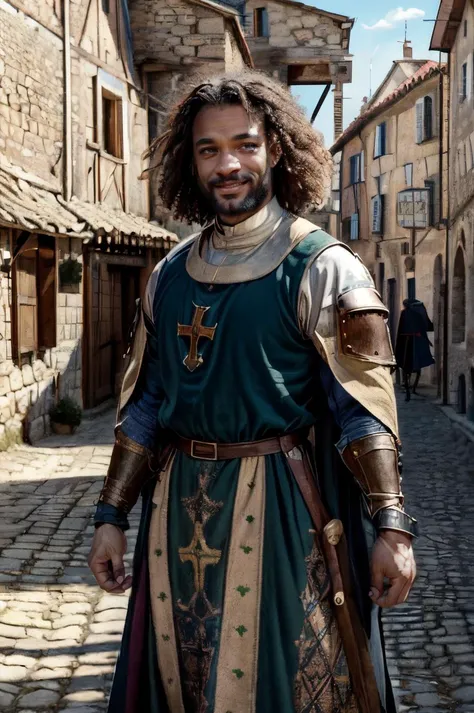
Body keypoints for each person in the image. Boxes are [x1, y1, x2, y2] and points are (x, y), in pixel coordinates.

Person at [88, 71, 417, 713]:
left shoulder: (323, 266)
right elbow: (146, 407)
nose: (228, 163)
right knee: (175, 682)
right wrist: (110, 518)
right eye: (209, 149)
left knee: (280, 686)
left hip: (286, 520)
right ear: (191, 161)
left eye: (245, 144)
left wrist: (392, 529)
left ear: (277, 150)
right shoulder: (168, 276)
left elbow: (365, 411)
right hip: (174, 517)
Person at [395, 298, 435, 401]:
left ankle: (408, 388)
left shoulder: (404, 314)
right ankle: (411, 389)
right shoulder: (417, 315)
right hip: (415, 343)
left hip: (406, 343)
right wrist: (426, 340)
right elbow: (424, 329)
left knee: (405, 365)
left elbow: (401, 329)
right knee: (416, 366)